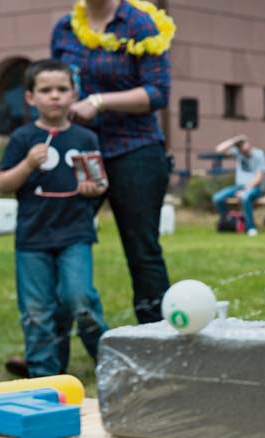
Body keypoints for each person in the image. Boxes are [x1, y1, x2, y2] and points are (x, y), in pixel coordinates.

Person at [51, 0, 174, 323]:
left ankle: (157, 344)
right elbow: (54, 83)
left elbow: (158, 93)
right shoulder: (65, 29)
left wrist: (98, 102)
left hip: (135, 150)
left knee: (142, 251)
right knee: (61, 242)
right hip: (80, 150)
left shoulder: (139, 24)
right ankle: (47, 349)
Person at [0, 59, 109, 378]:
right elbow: (5, 183)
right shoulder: (22, 138)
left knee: (80, 299)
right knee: (36, 312)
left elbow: (100, 183)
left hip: (75, 234)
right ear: (30, 98)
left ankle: (111, 361)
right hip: (32, 239)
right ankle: (43, 377)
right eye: (46, 90)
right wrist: (28, 164)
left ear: (74, 94)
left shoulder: (85, 138)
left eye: (62, 89)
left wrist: (92, 188)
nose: (55, 96)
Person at [212, 135, 265, 236]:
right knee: (217, 198)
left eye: (245, 144)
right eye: (241, 147)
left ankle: (251, 228)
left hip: (256, 188)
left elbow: (259, 178)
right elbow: (218, 149)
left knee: (245, 198)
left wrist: (245, 190)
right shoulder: (238, 152)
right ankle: (228, 221)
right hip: (239, 186)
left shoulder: (259, 154)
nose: (245, 149)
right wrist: (233, 141)